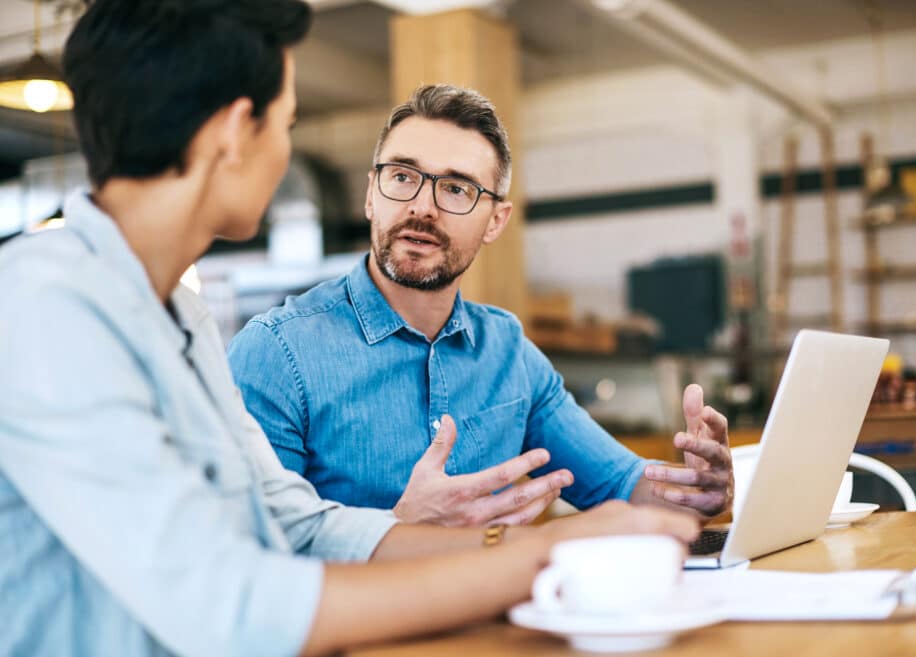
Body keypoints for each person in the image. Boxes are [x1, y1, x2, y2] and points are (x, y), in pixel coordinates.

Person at [0, 2, 701, 656]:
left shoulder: (178, 313)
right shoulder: (41, 304)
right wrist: (543, 555)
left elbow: (297, 524)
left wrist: (538, 539)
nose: (285, 153)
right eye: (287, 122)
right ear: (233, 133)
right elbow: (230, 602)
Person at [228, 83, 734, 528]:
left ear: (495, 221)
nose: (422, 206)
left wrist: (696, 492)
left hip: (493, 632)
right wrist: (399, 526)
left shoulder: (508, 352)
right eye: (402, 176)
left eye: (456, 188)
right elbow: (248, 555)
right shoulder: (276, 353)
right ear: (370, 195)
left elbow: (624, 486)